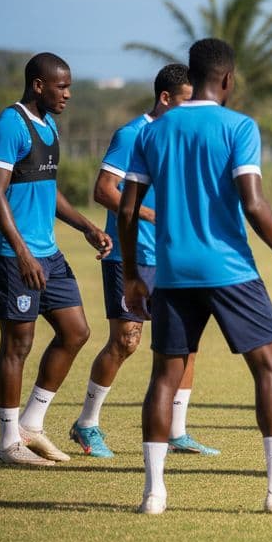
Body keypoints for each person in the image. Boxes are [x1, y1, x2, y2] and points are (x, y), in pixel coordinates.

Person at [120, 38, 272, 515]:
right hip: (230, 270)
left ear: (192, 77)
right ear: (228, 79)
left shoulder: (153, 131)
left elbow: (127, 209)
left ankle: (153, 493)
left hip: (170, 272)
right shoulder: (239, 126)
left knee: (164, 378)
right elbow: (252, 201)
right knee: (270, 368)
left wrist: (132, 274)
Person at [69, 64, 218, 458]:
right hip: (130, 255)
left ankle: (177, 431)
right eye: (186, 101)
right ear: (165, 98)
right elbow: (104, 190)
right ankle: (86, 424)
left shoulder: (181, 136)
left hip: (173, 256)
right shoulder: (132, 134)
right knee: (126, 341)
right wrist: (151, 215)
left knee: (186, 343)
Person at [0, 53, 111, 466]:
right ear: (38, 85)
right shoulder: (10, 125)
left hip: (48, 252)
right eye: (62, 86)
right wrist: (22, 252)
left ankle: (32, 425)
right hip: (11, 253)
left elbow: (48, 190)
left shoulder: (50, 126)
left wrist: (87, 227)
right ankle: (8, 443)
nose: (68, 94)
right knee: (18, 343)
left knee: (76, 331)